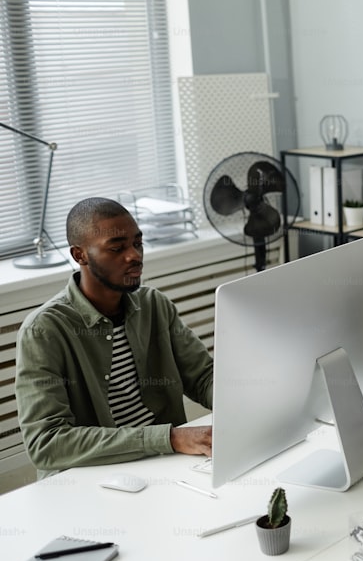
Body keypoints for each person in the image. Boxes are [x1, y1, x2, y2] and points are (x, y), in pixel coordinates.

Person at [15, 197, 214, 477]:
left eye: (137, 243)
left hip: (167, 462)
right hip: (93, 477)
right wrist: (169, 438)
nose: (134, 256)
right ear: (79, 255)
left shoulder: (154, 305)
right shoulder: (44, 331)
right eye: (117, 248)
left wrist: (247, 402)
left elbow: (203, 377)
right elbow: (46, 442)